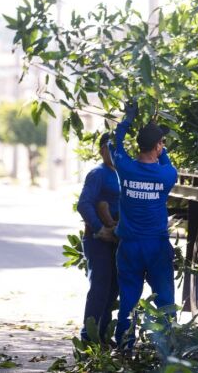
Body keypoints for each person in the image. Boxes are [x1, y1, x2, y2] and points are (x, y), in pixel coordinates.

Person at [112, 101, 178, 347]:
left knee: (128, 299)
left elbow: (116, 144)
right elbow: (166, 163)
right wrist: (162, 149)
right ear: (158, 146)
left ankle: (124, 345)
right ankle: (168, 347)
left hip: (129, 247)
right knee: (165, 300)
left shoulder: (125, 168)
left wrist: (127, 120)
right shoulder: (167, 175)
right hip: (156, 248)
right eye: (161, 143)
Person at [76, 133, 120, 342]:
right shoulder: (98, 174)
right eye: (111, 147)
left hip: (117, 241)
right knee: (100, 288)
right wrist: (99, 228)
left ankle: (102, 335)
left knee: (113, 288)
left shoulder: (122, 174)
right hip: (97, 241)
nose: (115, 152)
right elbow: (83, 204)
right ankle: (88, 337)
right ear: (102, 150)